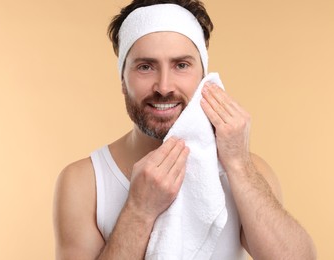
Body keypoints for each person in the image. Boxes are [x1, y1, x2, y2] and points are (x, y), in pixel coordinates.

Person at [53, 0, 316, 259]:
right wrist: (139, 211)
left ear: (203, 78)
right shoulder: (84, 183)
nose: (164, 86)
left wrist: (238, 164)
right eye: (145, 66)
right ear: (123, 80)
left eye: (181, 65)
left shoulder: (248, 171)